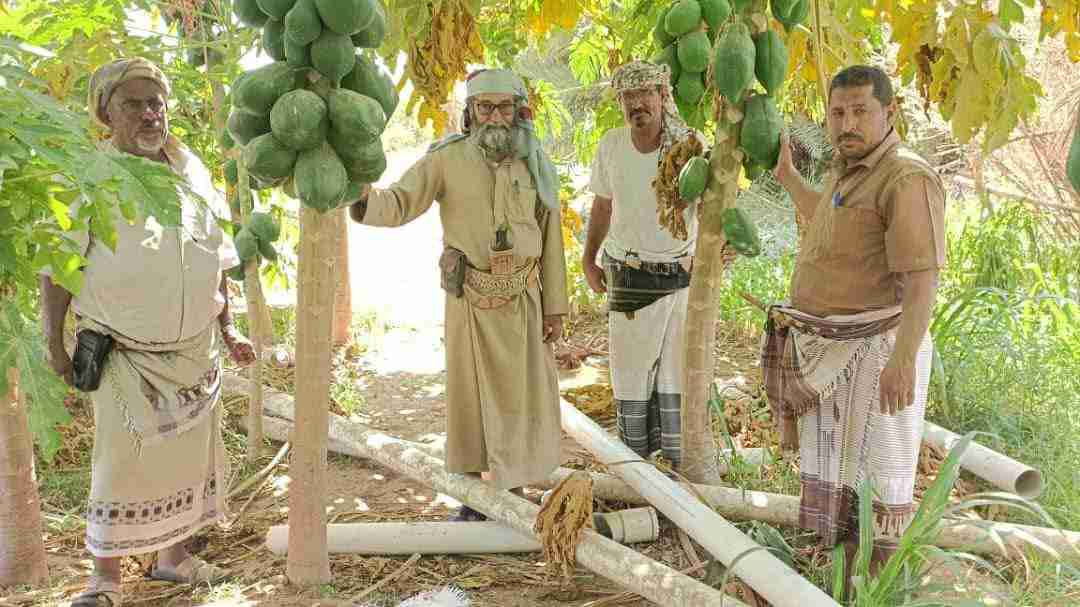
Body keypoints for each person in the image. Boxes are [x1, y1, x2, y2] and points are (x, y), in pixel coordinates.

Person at [40, 58, 255, 607]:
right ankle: (104, 579)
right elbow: (59, 267)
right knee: (120, 463)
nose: (148, 114)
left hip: (194, 349)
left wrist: (230, 328)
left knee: (185, 459)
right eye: (132, 104)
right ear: (105, 112)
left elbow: (215, 255)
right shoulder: (88, 175)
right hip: (123, 352)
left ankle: (173, 560)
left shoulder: (191, 168)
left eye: (155, 102)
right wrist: (54, 343)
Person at [349, 69, 568, 521]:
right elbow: (399, 202)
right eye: (484, 108)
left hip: (524, 302)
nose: (494, 117)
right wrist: (360, 192)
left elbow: (551, 238)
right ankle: (473, 498)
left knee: (521, 400)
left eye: (504, 108)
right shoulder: (445, 160)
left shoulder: (535, 162)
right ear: (470, 113)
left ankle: (514, 493)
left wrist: (556, 309)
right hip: (471, 303)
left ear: (519, 112)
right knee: (470, 402)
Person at [764, 64, 946, 579]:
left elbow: (922, 278)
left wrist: (902, 361)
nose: (847, 124)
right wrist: (787, 178)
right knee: (843, 481)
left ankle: (878, 589)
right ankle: (843, 584)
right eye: (838, 112)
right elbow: (828, 216)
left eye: (861, 111)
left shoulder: (905, 177)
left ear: (889, 113)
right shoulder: (849, 170)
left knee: (879, 480)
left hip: (880, 351)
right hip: (839, 354)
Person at [581, 60, 703, 470]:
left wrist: (716, 253)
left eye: (645, 94)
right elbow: (602, 205)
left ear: (662, 96)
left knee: (675, 374)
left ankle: (678, 468)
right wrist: (588, 258)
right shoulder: (611, 145)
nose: (637, 104)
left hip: (680, 275)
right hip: (628, 274)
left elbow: (712, 208)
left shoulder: (689, 145)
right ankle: (635, 468)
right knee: (631, 374)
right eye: (628, 97)